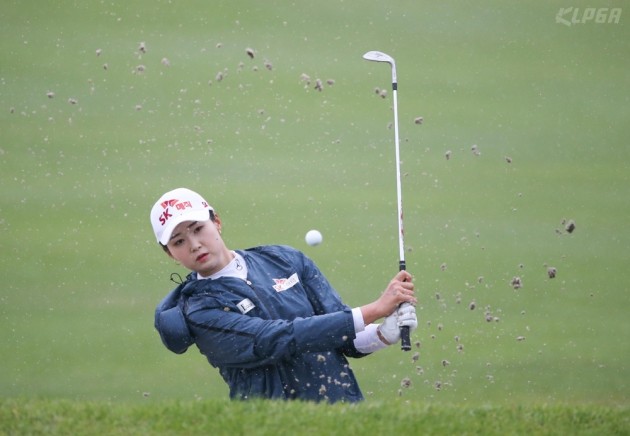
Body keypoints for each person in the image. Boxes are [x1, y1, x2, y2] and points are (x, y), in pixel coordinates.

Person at [151, 187, 418, 403]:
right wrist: (375, 309)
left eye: (198, 229)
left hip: (341, 415)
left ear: (217, 222)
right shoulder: (198, 311)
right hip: (273, 425)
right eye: (179, 241)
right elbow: (275, 339)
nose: (194, 244)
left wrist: (385, 333)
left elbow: (345, 338)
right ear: (170, 254)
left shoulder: (283, 259)